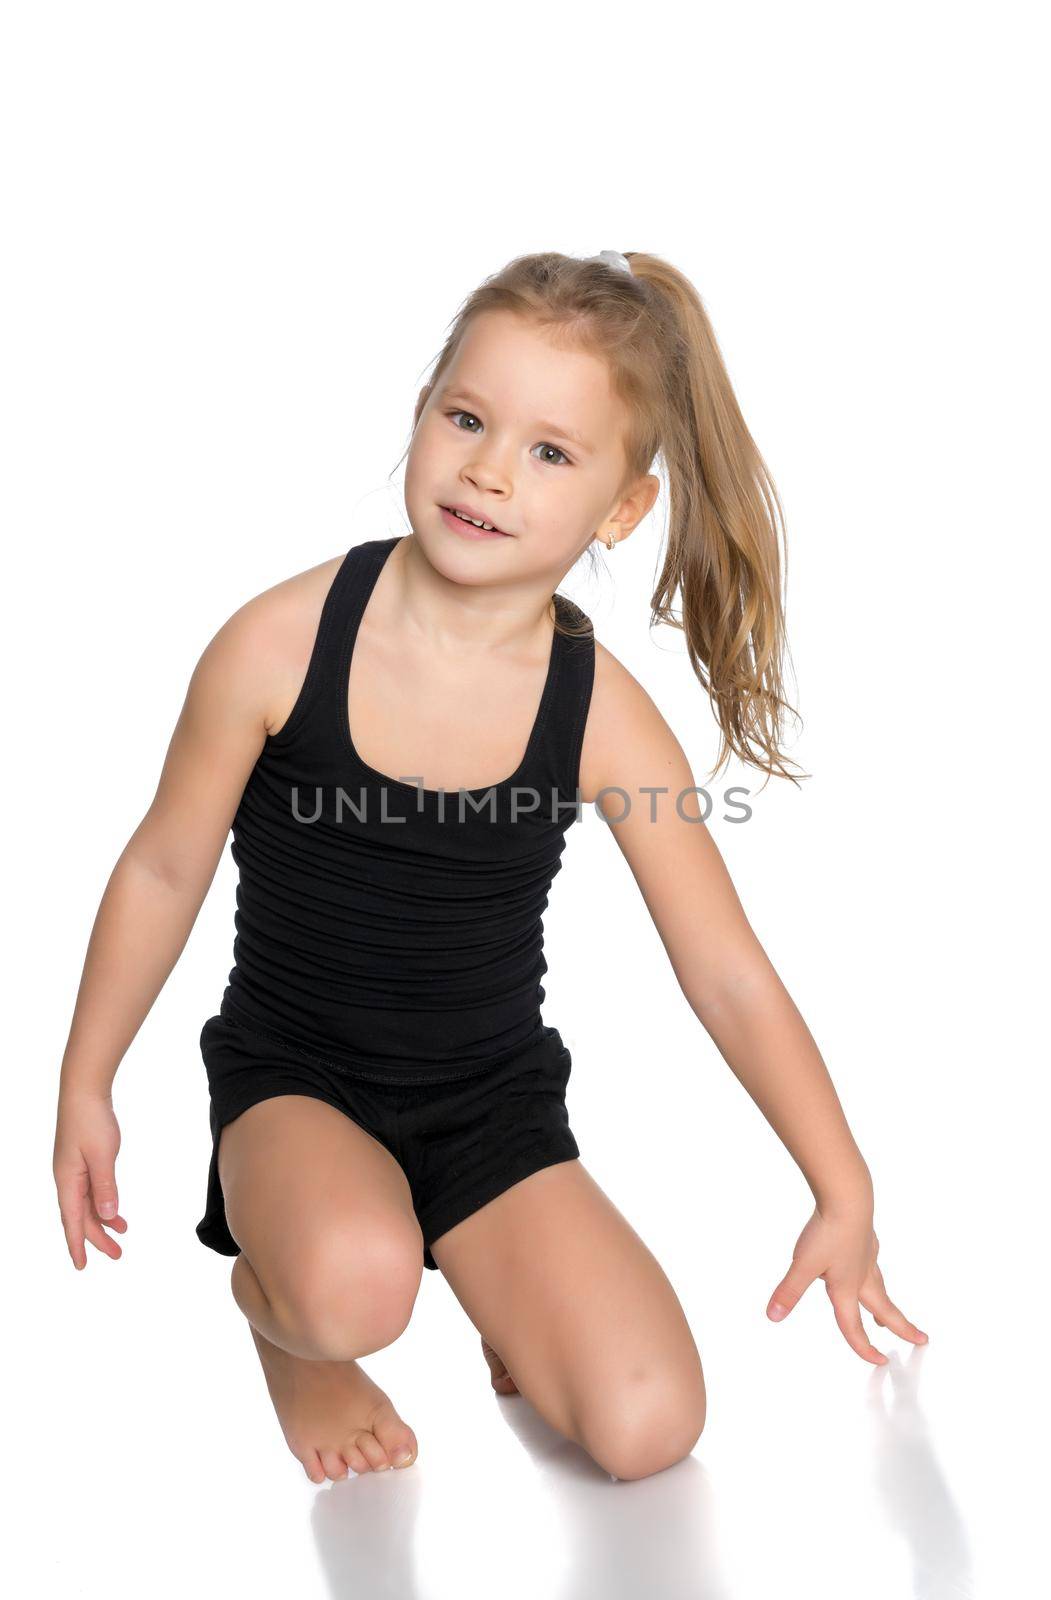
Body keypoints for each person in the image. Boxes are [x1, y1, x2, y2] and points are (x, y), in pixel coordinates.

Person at [52, 248, 927, 1487]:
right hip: (295, 1083)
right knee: (351, 1289)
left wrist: (842, 1187)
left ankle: (484, 1273)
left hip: (488, 1104)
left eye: (550, 452)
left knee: (646, 1427)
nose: (487, 469)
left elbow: (724, 970)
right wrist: (87, 1079)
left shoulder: (600, 715)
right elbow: (159, 869)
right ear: (422, 414)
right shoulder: (277, 642)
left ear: (621, 508)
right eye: (466, 417)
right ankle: (284, 1320)